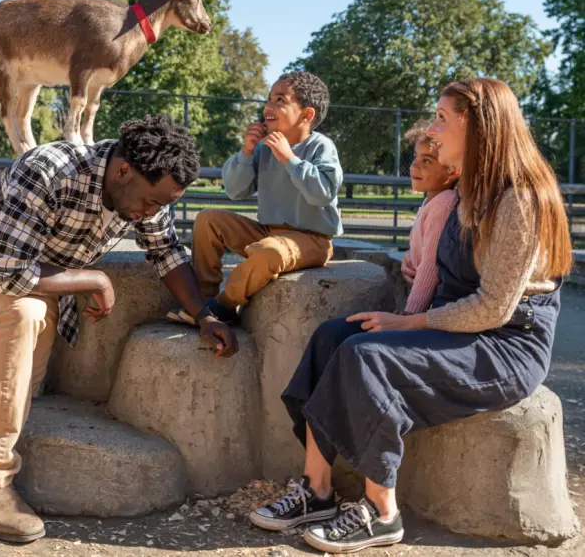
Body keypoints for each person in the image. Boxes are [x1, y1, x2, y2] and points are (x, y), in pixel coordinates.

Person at [249, 78, 572, 554]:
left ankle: (382, 512)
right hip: (457, 324)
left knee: (368, 356)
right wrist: (408, 299)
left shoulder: (518, 200)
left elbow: (492, 308)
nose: (434, 131)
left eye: (443, 118)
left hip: (505, 344)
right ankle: (316, 491)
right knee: (333, 336)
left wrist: (408, 324)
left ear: (479, 126)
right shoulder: (466, 189)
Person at [0, 114, 238, 544]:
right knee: (23, 315)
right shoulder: (47, 169)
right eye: (154, 202)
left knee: (25, 379)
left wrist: (204, 316)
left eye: (165, 204)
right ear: (123, 171)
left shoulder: (142, 189)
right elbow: (10, 273)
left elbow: (167, 252)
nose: (154, 212)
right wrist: (92, 279)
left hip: (42, 265)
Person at [168, 71, 343, 325]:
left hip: (313, 239)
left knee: (268, 250)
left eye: (280, 100)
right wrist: (247, 152)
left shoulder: (321, 146)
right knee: (208, 220)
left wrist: (289, 159)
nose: (268, 107)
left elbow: (323, 193)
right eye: (269, 99)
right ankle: (203, 299)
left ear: (307, 114)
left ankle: (225, 305)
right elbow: (236, 191)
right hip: (269, 231)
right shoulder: (264, 147)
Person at [400, 119, 460, 314]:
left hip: (433, 307)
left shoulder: (443, 203)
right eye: (416, 157)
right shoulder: (431, 200)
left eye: (426, 161)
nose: (414, 166)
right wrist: (409, 258)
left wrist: (410, 314)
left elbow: (431, 267)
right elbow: (422, 245)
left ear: (451, 171)